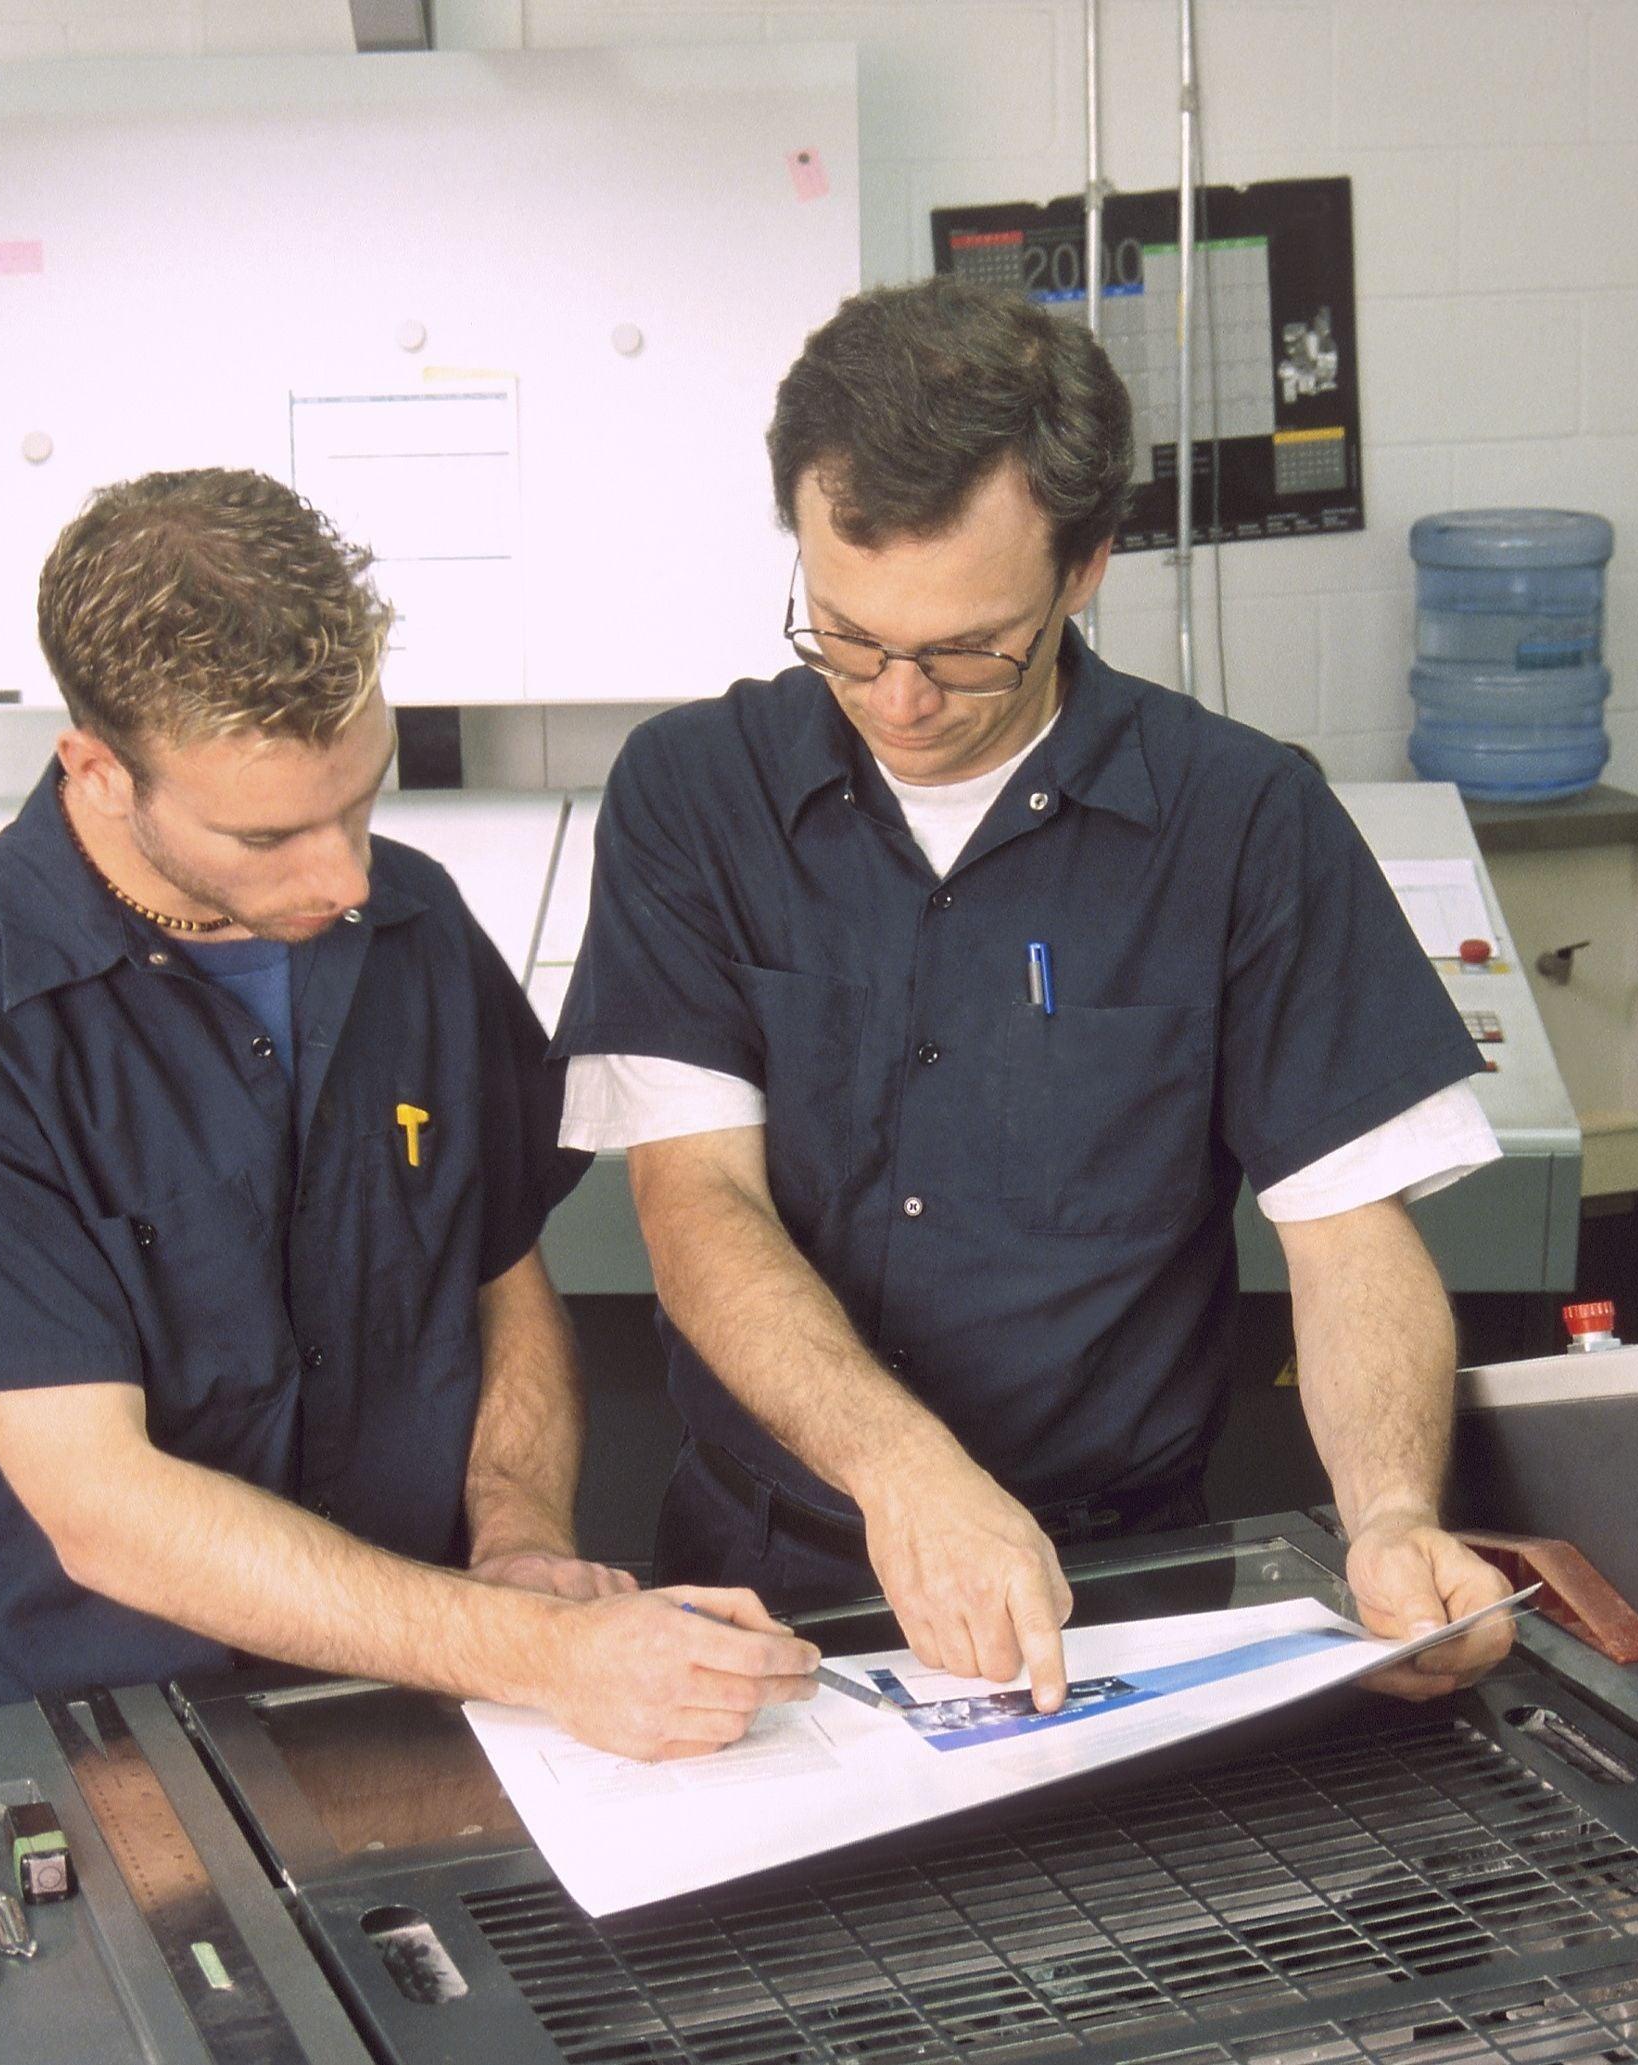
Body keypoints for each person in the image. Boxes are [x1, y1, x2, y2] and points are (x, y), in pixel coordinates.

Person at [554, 279, 1517, 1713]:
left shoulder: (1241, 817)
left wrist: (1385, 1512)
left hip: (1121, 1588)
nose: (898, 699)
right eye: (848, 633)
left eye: (964, 648)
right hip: (766, 1575)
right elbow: (698, 1207)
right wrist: (907, 1472)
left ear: (1086, 569)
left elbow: (1346, 1233)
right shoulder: (696, 795)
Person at [0, 468, 814, 1758]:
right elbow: (105, 1507)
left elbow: (498, 1271)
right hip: (119, 1738)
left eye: (361, 795)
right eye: (270, 835)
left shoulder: (417, 924)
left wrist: (518, 1538)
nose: (343, 877)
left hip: (446, 1688)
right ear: (99, 771)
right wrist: (545, 1651)